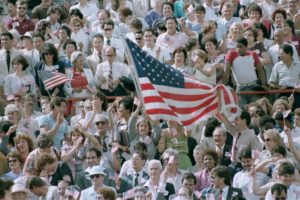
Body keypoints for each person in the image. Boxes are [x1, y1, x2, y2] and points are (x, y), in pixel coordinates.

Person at [223, 37, 267, 106]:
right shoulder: (231, 54)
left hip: (254, 87)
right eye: (237, 47)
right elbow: (226, 72)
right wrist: (223, 86)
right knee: (242, 109)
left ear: (246, 47)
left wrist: (264, 85)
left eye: (241, 47)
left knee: (255, 107)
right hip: (240, 88)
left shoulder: (253, 54)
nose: (238, 49)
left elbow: (260, 70)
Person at [269, 44, 300, 110]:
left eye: (282, 54)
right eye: (279, 54)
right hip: (282, 93)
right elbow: (271, 82)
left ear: (289, 53)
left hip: (296, 93)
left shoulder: (298, 65)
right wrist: (279, 87)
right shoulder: (277, 66)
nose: (280, 56)